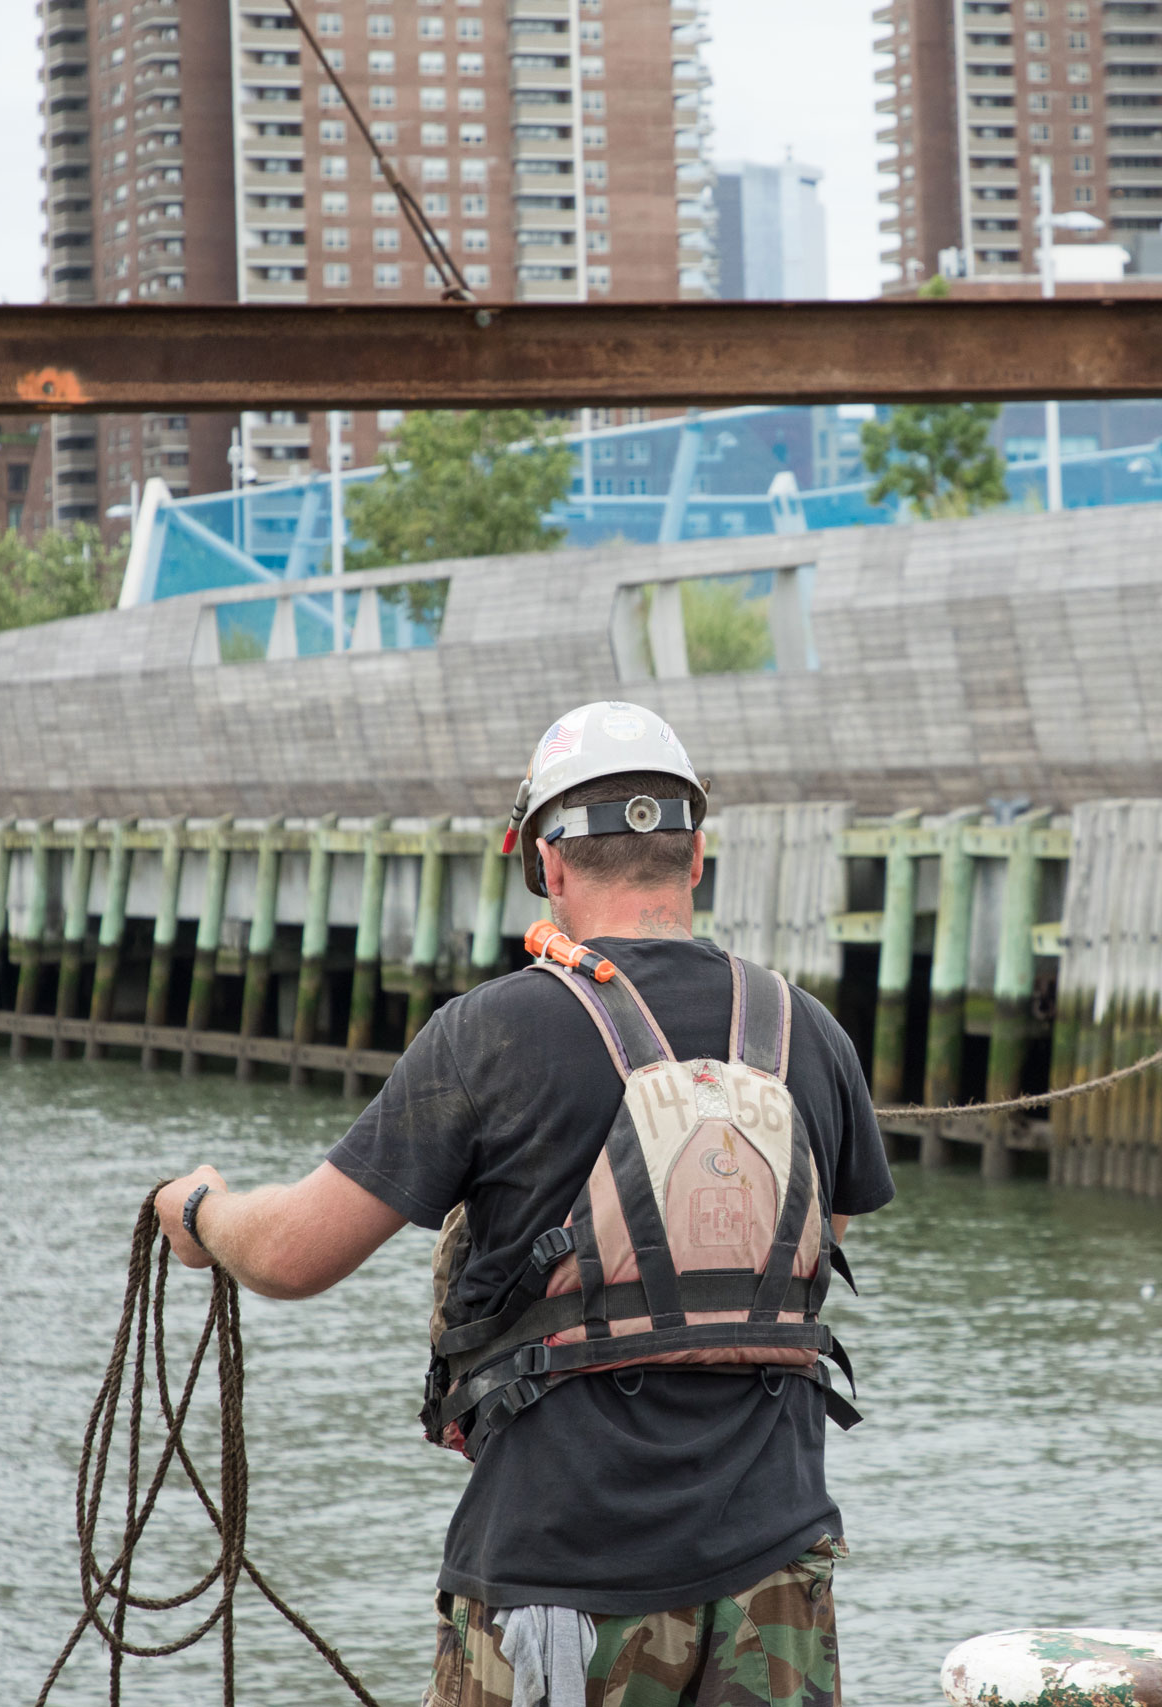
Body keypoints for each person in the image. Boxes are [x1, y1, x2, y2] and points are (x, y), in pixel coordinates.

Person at [152, 701, 894, 1707]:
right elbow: (812, 1251)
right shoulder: (807, 1032)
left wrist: (200, 1210)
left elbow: (291, 1255)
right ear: (696, 858)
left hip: (557, 1585)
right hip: (777, 1581)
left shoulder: (489, 1036)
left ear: (546, 862)